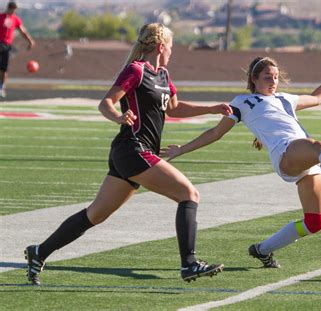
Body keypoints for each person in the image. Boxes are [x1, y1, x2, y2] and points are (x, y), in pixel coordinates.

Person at [24, 23, 229, 285]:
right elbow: (105, 103)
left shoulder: (164, 75)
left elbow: (174, 109)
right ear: (160, 46)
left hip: (134, 153)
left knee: (94, 215)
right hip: (133, 148)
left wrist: (210, 109)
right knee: (189, 194)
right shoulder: (136, 70)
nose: (171, 52)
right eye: (171, 47)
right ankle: (189, 264)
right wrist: (119, 117)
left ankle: (39, 252)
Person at [162, 55, 321, 268]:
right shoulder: (243, 102)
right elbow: (215, 132)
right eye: (268, 77)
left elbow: (319, 97)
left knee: (315, 223)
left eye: (276, 77)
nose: (274, 81)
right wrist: (182, 149)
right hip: (286, 153)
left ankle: (262, 250)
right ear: (254, 79)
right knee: (318, 146)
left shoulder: (285, 98)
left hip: (309, 160)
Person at [0, 1, 35, 97]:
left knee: (4, 68)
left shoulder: (15, 19)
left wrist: (30, 41)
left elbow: (22, 31)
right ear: (9, 8)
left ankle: (2, 87)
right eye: (13, 9)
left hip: (7, 45)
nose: (14, 11)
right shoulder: (1, 17)